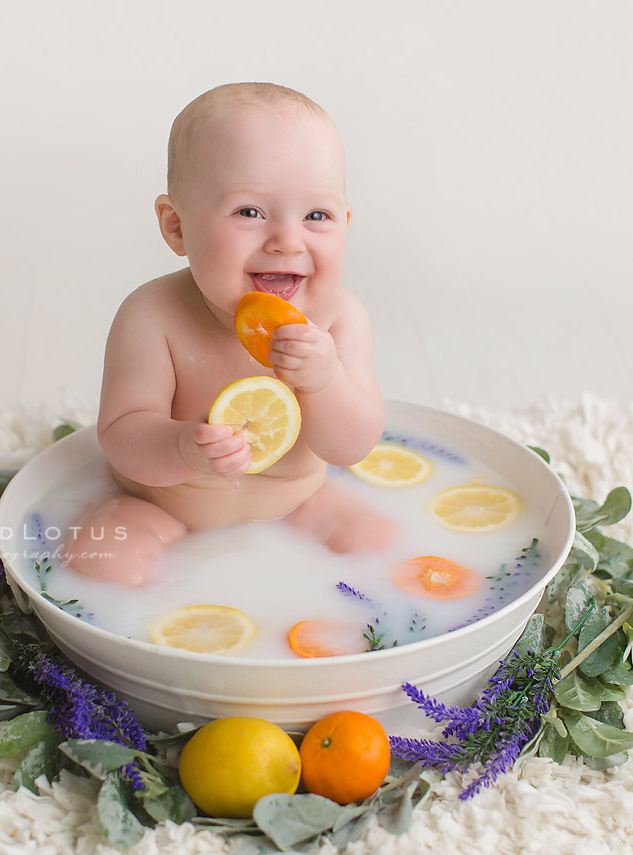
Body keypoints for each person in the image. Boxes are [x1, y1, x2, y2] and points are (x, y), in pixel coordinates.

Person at [66, 82, 394, 586]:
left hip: (299, 505)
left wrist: (324, 380)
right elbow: (120, 435)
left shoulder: (339, 319)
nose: (287, 241)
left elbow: (352, 446)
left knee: (379, 548)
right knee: (98, 561)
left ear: (345, 225)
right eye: (249, 212)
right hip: (161, 508)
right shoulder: (153, 315)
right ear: (176, 227)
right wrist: (181, 446)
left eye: (316, 216)